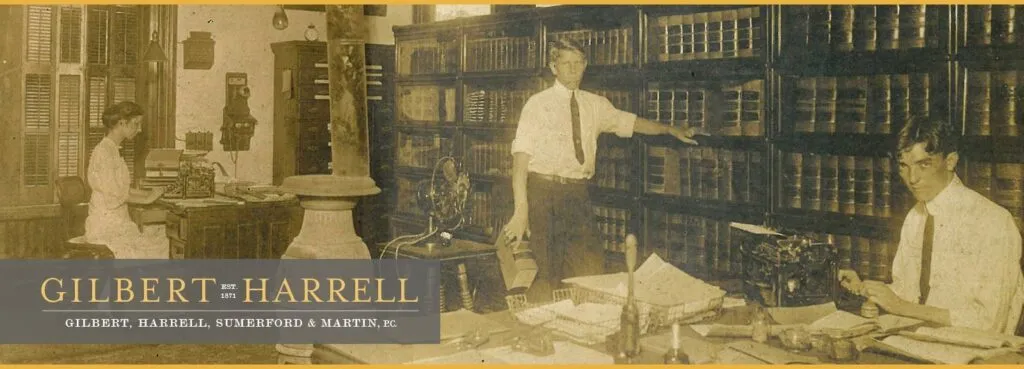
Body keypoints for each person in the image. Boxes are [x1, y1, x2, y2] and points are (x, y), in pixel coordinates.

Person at [503, 39, 705, 302]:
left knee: (589, 270)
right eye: (566, 63)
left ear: (585, 65)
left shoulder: (595, 104)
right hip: (543, 194)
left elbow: (630, 122)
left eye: (578, 63)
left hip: (578, 195)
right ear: (553, 67)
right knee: (546, 274)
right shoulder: (537, 105)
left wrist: (669, 129)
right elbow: (520, 164)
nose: (573, 69)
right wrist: (521, 212)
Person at [838, 116, 1024, 335]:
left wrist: (901, 307)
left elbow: (989, 322)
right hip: (919, 341)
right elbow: (907, 294)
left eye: (923, 165)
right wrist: (864, 289)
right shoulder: (915, 217)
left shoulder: (992, 221)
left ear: (950, 161)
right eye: (904, 166)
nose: (912, 178)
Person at [85, 101, 169, 259]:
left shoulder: (113, 150)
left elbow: (123, 190)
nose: (140, 129)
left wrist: (151, 192)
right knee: (159, 248)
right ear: (122, 123)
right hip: (105, 227)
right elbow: (115, 196)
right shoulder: (104, 153)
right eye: (136, 124)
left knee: (163, 241)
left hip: (117, 222)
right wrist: (148, 199)